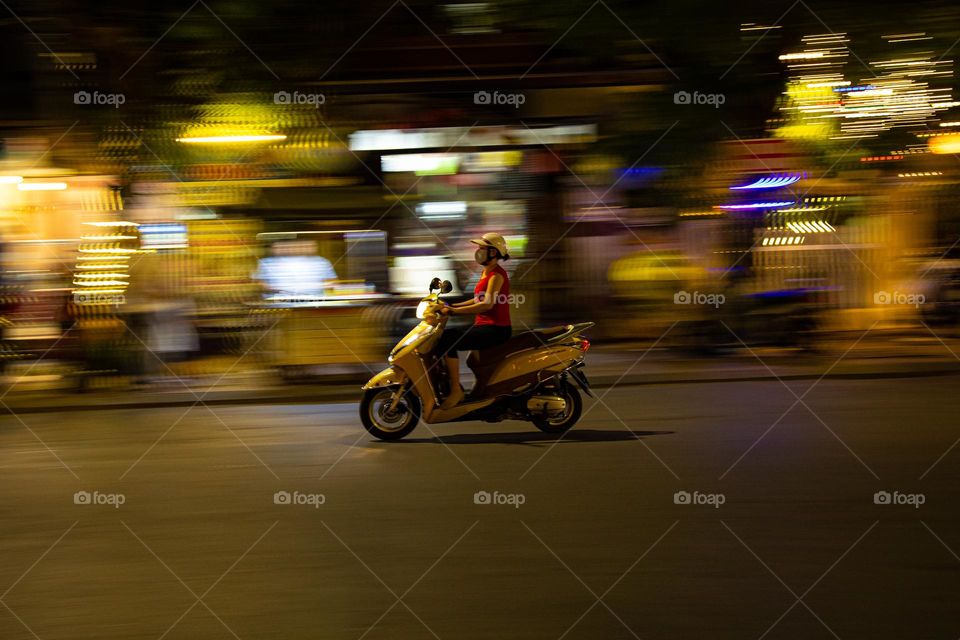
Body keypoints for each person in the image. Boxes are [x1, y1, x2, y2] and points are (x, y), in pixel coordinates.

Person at [436, 232, 512, 409]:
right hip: (485, 326)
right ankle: (476, 389)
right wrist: (449, 305)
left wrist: (454, 311)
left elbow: (486, 304)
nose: (478, 251)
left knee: (447, 339)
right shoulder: (487, 272)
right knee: (465, 355)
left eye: (482, 248)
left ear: (493, 253)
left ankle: (455, 390)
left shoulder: (496, 275)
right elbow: (478, 298)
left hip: (496, 330)